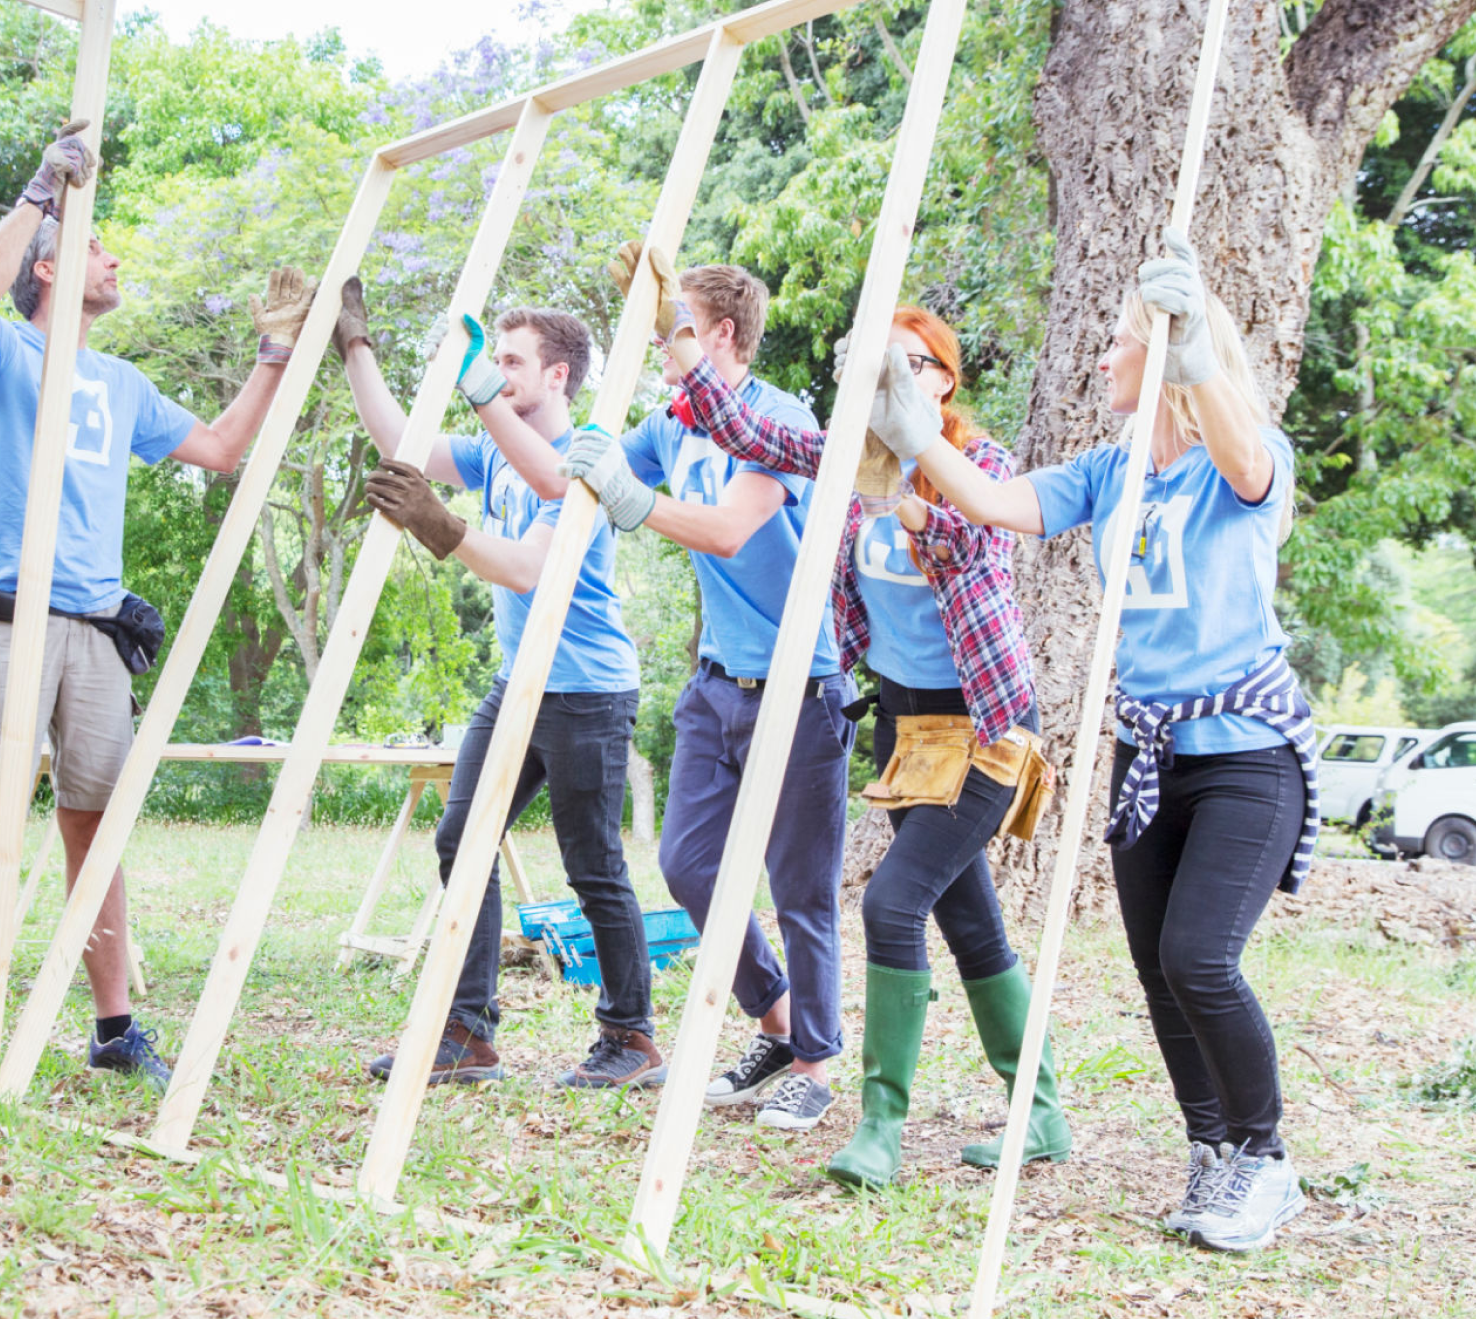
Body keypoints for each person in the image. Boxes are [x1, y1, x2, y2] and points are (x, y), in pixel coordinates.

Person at [0, 124, 318, 1094]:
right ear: (53, 268)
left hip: (98, 632)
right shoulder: (6, 356)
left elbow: (224, 448)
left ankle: (113, 1028)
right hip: (2, 620)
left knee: (95, 830)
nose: (115, 258)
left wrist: (275, 352)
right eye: (98, 245)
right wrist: (41, 193)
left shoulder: (122, 383)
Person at [884, 227, 1315, 1252]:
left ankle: (1265, 1158)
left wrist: (1201, 348)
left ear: (1161, 354)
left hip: (1244, 754)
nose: (1099, 356)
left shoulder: (1236, 461)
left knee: (1198, 955)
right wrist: (917, 432)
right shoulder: (1108, 470)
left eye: (1118, 341)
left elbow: (1247, 456)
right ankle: (1210, 1152)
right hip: (1147, 755)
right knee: (1156, 968)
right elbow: (996, 503)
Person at [670, 298, 1070, 1186]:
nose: (897, 380)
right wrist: (680, 335)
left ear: (944, 380)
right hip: (905, 729)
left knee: (892, 904)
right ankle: (1038, 1112)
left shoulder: (980, 467)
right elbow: (750, 431)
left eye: (913, 365)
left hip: (986, 730)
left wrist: (908, 492)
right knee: (970, 920)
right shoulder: (853, 465)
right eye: (881, 367)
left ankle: (880, 1125)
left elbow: (974, 540)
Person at [333, 277, 660, 1088]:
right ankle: (469, 1032)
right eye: (493, 358)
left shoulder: (584, 456)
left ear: (557, 375)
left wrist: (441, 526)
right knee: (461, 840)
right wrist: (356, 349)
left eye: (510, 359)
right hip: (517, 683)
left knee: (592, 863)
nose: (495, 369)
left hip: (586, 691)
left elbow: (526, 569)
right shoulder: (493, 456)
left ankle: (631, 1039)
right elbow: (401, 439)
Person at [561, 246, 856, 1134]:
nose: (660, 342)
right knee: (687, 864)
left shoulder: (778, 419)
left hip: (802, 687)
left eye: (673, 324)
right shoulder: (674, 422)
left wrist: (634, 503)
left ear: (718, 332)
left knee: (800, 886)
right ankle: (774, 1020)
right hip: (717, 684)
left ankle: (813, 1059)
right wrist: (513, 418)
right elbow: (587, 478)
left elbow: (728, 530)